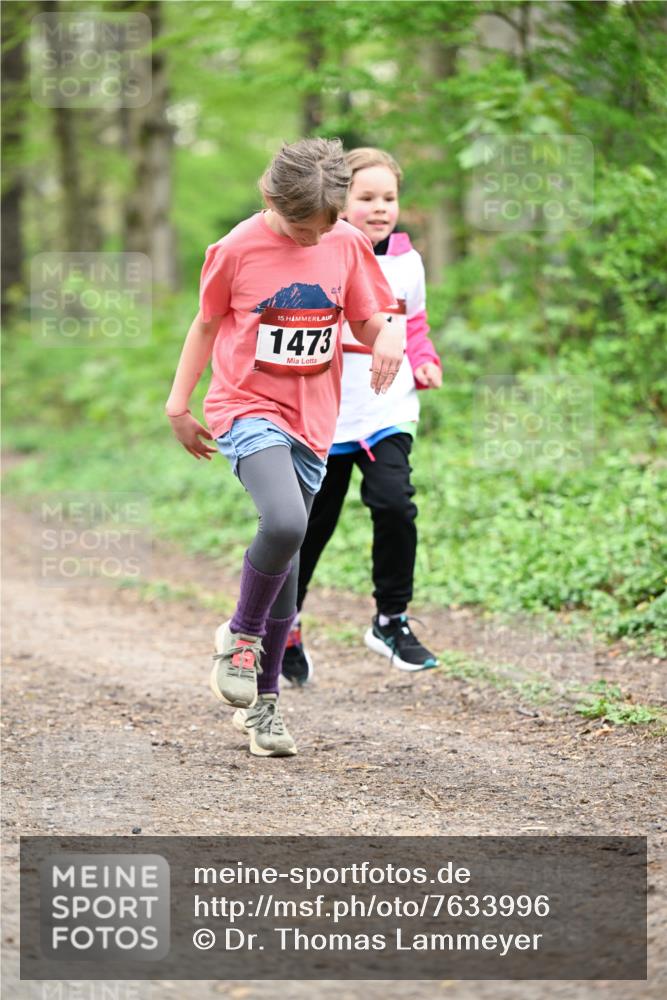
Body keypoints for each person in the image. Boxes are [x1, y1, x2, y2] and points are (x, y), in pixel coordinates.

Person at [165, 138, 403, 757]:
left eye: (323, 228)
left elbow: (366, 317)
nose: (310, 240)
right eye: (302, 227)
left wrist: (387, 337)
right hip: (246, 406)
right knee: (287, 521)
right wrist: (178, 403)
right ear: (271, 198)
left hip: (313, 419)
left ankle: (264, 706)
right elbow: (208, 324)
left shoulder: (344, 241)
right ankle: (241, 634)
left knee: (289, 557)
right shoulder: (237, 249)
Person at [282, 147, 442, 686]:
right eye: (366, 197)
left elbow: (413, 323)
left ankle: (391, 620)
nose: (380, 208)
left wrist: (424, 360)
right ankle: (286, 625)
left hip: (387, 408)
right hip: (325, 416)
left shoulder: (408, 261)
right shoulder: (320, 252)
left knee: (394, 503)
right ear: (338, 201)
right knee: (309, 527)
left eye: (390, 198)